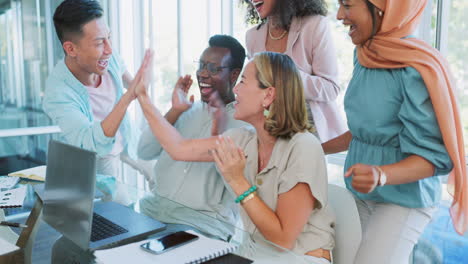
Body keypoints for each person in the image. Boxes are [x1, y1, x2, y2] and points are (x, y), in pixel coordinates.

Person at [135, 51, 335, 263]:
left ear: (268, 95)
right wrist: (143, 97)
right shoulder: (242, 139)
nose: (236, 89)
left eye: (243, 82)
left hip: (298, 258)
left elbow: (282, 239)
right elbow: (179, 148)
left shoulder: (303, 147)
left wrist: (237, 180)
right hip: (252, 253)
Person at [322, 0, 468, 263]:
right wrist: (313, 146)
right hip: (362, 193)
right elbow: (364, 131)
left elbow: (435, 158)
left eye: (347, 5)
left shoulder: (415, 68)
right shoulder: (365, 54)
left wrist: (380, 175)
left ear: (381, 8)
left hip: (405, 199)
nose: (339, 15)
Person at [137, 35, 247, 239]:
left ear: (234, 75)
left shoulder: (244, 126)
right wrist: (174, 111)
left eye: (213, 69)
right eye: (202, 65)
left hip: (201, 226)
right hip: (150, 213)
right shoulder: (186, 109)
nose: (203, 74)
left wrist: (218, 132)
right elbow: (143, 151)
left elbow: (239, 190)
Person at [43, 0, 151, 178]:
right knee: (119, 202)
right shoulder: (57, 93)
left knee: (161, 177)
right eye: (100, 42)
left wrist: (140, 85)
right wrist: (127, 99)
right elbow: (90, 142)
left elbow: (132, 85)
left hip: (128, 136)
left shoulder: (108, 57)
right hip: (98, 154)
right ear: (71, 49)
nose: (109, 49)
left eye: (109, 37)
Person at [243, 0, 347, 142]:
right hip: (270, 134)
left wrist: (285, 76)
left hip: (309, 134)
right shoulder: (252, 36)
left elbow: (330, 88)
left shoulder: (314, 25)